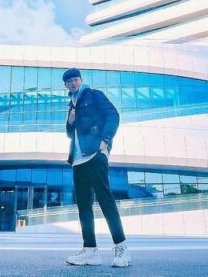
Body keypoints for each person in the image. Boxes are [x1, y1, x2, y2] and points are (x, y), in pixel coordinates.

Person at [62, 68, 130, 268]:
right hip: (77, 160)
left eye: (75, 79)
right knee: (84, 207)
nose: (72, 83)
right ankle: (90, 251)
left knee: (105, 200)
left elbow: (113, 116)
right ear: (65, 85)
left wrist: (105, 141)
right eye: (68, 81)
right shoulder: (72, 104)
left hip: (94, 154)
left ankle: (121, 248)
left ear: (80, 80)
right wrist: (70, 121)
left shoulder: (94, 95)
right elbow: (70, 133)